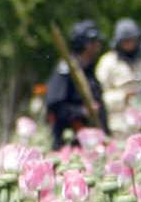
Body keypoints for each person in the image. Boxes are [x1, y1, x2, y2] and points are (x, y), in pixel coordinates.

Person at [43, 20, 105, 149]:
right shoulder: (67, 70)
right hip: (69, 144)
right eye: (94, 42)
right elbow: (54, 105)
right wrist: (81, 111)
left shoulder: (88, 70)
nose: (97, 46)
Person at [96, 18, 141, 133]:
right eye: (126, 41)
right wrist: (123, 96)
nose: (129, 44)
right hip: (118, 126)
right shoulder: (108, 62)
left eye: (132, 40)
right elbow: (98, 97)